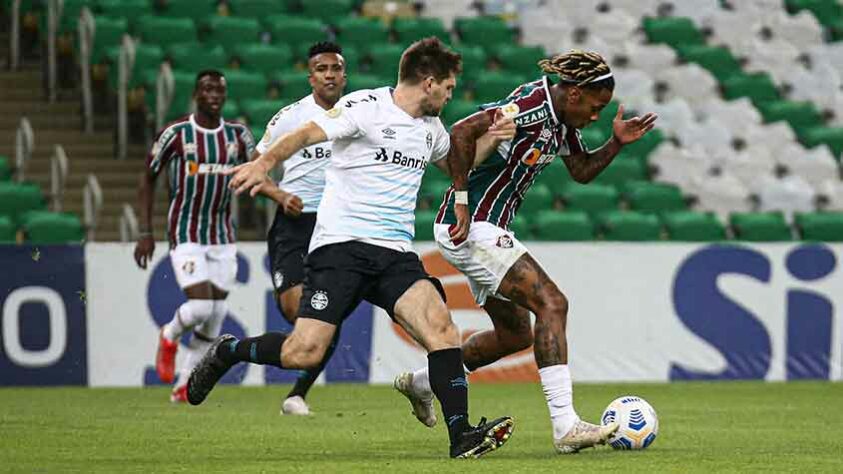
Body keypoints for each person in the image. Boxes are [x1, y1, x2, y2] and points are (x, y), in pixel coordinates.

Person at [186, 37, 515, 459]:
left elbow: (457, 166)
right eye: (448, 88)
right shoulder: (366, 107)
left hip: (394, 254)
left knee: (443, 330)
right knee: (303, 352)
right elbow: (306, 133)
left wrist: (495, 141)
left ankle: (462, 436)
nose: (450, 96)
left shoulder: (430, 129)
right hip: (341, 248)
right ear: (429, 82)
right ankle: (229, 350)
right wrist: (263, 164)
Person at [394, 50, 658, 454]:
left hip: (487, 226)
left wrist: (617, 143)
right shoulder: (531, 107)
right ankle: (566, 426)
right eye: (594, 106)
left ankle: (421, 382)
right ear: (573, 94)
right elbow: (461, 133)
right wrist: (462, 201)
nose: (595, 116)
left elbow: (581, 171)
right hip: (472, 224)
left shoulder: (562, 123)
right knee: (553, 303)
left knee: (515, 333)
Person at [134, 70, 255, 403]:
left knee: (214, 314)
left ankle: (183, 385)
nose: (214, 94)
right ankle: (169, 333)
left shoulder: (238, 136)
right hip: (185, 231)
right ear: (196, 95)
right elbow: (147, 179)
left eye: (219, 89)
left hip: (222, 235)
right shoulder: (176, 133)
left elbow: (258, 170)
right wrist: (145, 232)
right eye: (207, 89)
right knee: (201, 306)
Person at [257, 41, 348, 416]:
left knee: (330, 311)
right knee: (298, 313)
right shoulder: (290, 118)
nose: (329, 75)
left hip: (336, 226)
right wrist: (279, 196)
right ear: (310, 77)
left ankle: (297, 394)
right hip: (295, 224)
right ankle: (239, 350)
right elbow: (255, 172)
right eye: (322, 69)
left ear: (344, 75)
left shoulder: (357, 115)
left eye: (335, 68)